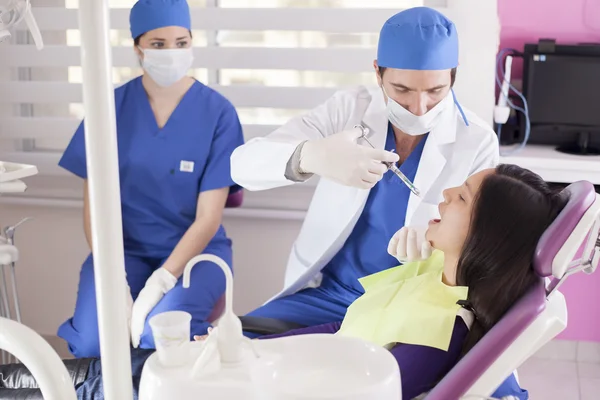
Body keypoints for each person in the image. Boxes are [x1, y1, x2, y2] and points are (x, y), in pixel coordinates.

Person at [0, 164, 567, 399]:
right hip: (260, 369)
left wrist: (239, 363)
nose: (444, 194)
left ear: (486, 237)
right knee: (95, 374)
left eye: (462, 197)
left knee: (93, 381)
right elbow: (341, 327)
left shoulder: (435, 336)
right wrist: (240, 341)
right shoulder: (430, 278)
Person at [230, 5, 527, 398]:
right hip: (331, 296)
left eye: (436, 91)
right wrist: (310, 156)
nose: (419, 107)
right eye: (402, 90)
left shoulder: (476, 141)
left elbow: (483, 241)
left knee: (488, 383)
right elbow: (240, 165)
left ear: (453, 78)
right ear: (377, 72)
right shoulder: (348, 110)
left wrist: (435, 247)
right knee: (232, 353)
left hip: (414, 302)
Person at [57, 0, 244, 358]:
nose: (171, 52)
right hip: (120, 252)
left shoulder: (218, 113)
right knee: (96, 344)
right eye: (158, 44)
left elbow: (209, 218)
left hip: (194, 254)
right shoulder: (108, 108)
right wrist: (114, 275)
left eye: (181, 42)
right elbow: (93, 207)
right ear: (137, 48)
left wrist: (162, 281)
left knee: (158, 337)